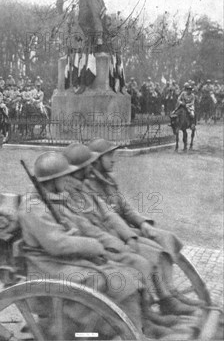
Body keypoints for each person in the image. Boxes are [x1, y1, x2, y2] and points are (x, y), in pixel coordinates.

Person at [12, 151, 160, 337]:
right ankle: (124, 332)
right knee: (119, 280)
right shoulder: (32, 208)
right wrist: (94, 245)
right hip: (47, 268)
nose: (67, 181)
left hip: (62, 262)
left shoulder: (51, 200)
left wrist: (105, 242)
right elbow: (57, 244)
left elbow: (81, 225)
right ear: (53, 179)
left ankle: (134, 329)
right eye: (63, 177)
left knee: (128, 275)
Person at [62, 144, 197, 320]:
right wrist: (120, 244)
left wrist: (130, 236)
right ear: (79, 169)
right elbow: (88, 229)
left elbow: (111, 214)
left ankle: (165, 299)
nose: (91, 166)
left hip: (111, 238)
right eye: (89, 163)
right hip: (100, 247)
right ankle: (149, 313)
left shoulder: (83, 187)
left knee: (154, 251)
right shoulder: (71, 194)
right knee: (142, 261)